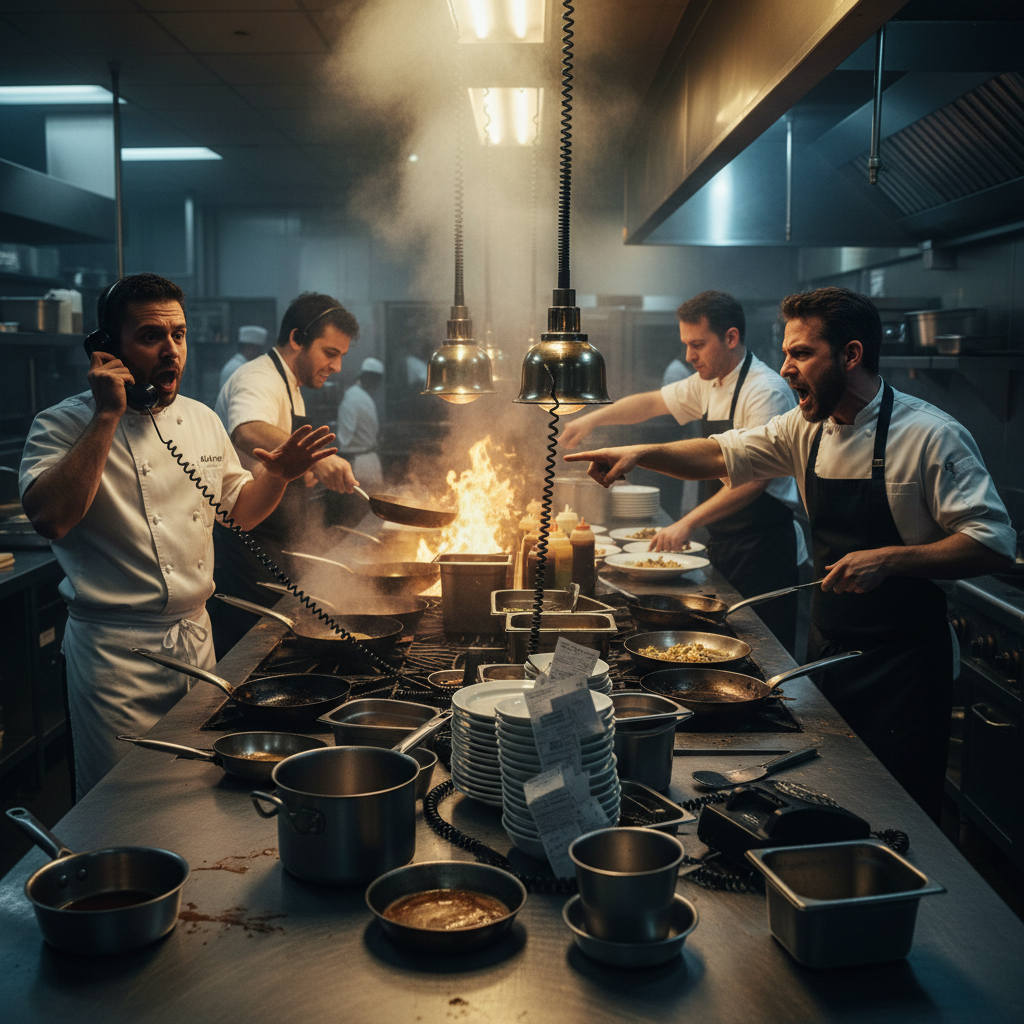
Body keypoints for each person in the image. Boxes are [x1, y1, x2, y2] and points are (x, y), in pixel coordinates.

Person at [565, 286, 1015, 821]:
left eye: (801, 354)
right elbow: (718, 453)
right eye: (785, 354)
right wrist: (639, 453)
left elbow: (993, 543)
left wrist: (889, 559)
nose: (785, 369)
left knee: (900, 812)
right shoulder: (807, 428)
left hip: (905, 666)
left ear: (851, 355)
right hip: (829, 642)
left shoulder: (930, 435)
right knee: (837, 790)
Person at [19, 273, 336, 798]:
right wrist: (107, 414)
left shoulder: (203, 420)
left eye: (179, 335)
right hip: (117, 660)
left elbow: (240, 512)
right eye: (151, 337)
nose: (171, 351)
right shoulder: (62, 425)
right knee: (119, 805)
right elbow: (51, 518)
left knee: (195, 796)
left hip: (196, 646)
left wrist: (277, 475)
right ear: (107, 349)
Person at [559, 290, 802, 653]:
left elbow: (755, 480)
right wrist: (592, 418)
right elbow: (652, 402)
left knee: (764, 648)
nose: (689, 355)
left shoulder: (764, 391)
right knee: (727, 641)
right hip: (727, 536)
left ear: (731, 337)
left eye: (698, 344)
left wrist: (686, 523)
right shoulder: (709, 382)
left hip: (763, 544)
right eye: (686, 344)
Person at [211, 292, 360, 653]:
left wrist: (300, 473)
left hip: (275, 538)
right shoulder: (258, 378)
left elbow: (271, 461)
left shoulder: (290, 385)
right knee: (260, 652)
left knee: (285, 638)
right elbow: (246, 428)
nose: (337, 367)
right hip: (245, 544)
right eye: (330, 353)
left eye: (341, 356)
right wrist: (314, 460)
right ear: (297, 339)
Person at [336, 356, 385, 492]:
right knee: (366, 509)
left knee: (366, 510)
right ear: (366, 377)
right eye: (375, 380)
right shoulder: (355, 397)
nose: (376, 384)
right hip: (362, 464)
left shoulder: (357, 396)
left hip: (364, 463)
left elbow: (345, 437)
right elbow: (346, 437)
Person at [219, 325, 269, 391]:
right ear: (250, 348)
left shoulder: (237, 364)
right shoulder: (240, 369)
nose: (261, 354)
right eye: (259, 350)